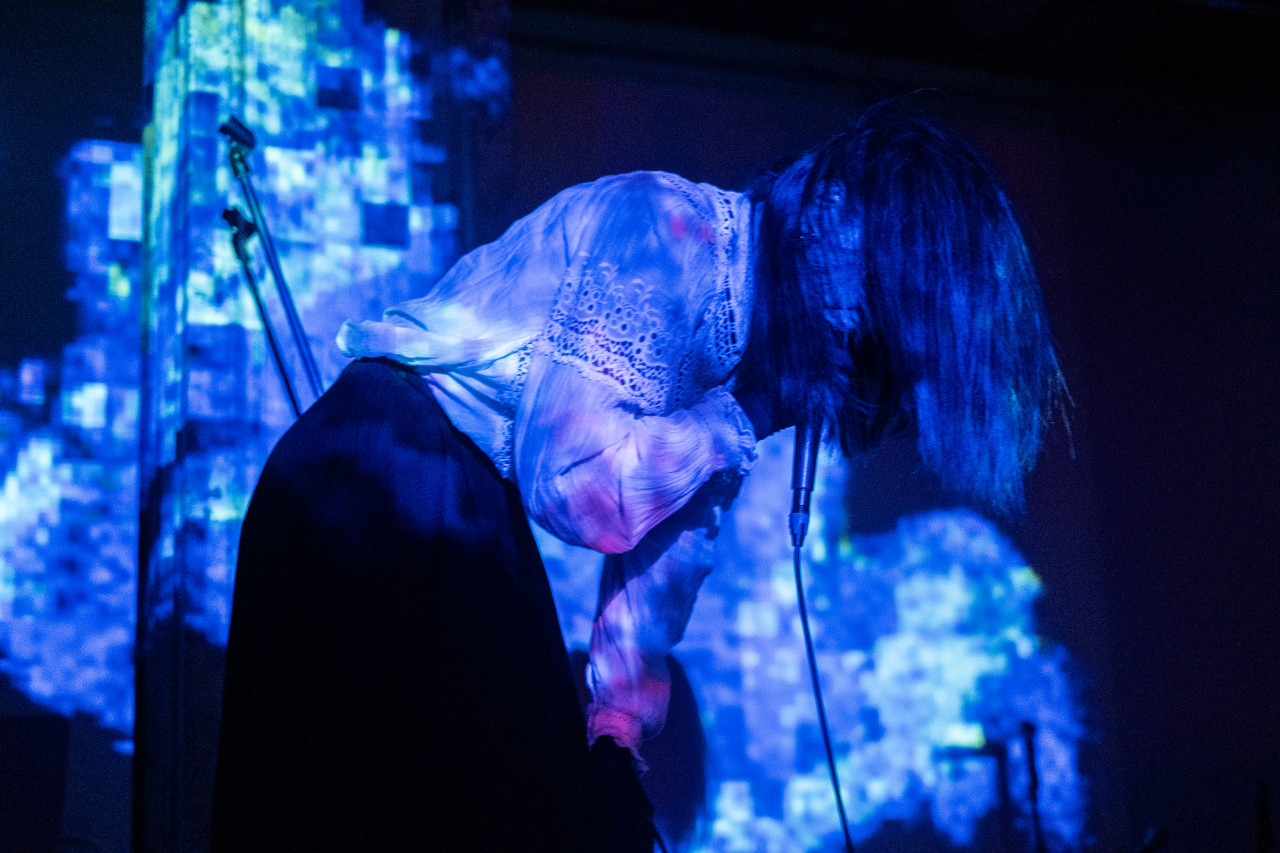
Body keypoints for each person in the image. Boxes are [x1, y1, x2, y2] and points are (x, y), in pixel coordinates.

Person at [210, 100, 1063, 851]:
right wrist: (738, 417)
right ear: (833, 217)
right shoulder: (665, 230)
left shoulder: (740, 374)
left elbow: (661, 555)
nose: (854, 359)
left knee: (536, 797)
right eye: (869, 327)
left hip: (452, 494)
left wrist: (617, 726)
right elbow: (573, 482)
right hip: (380, 472)